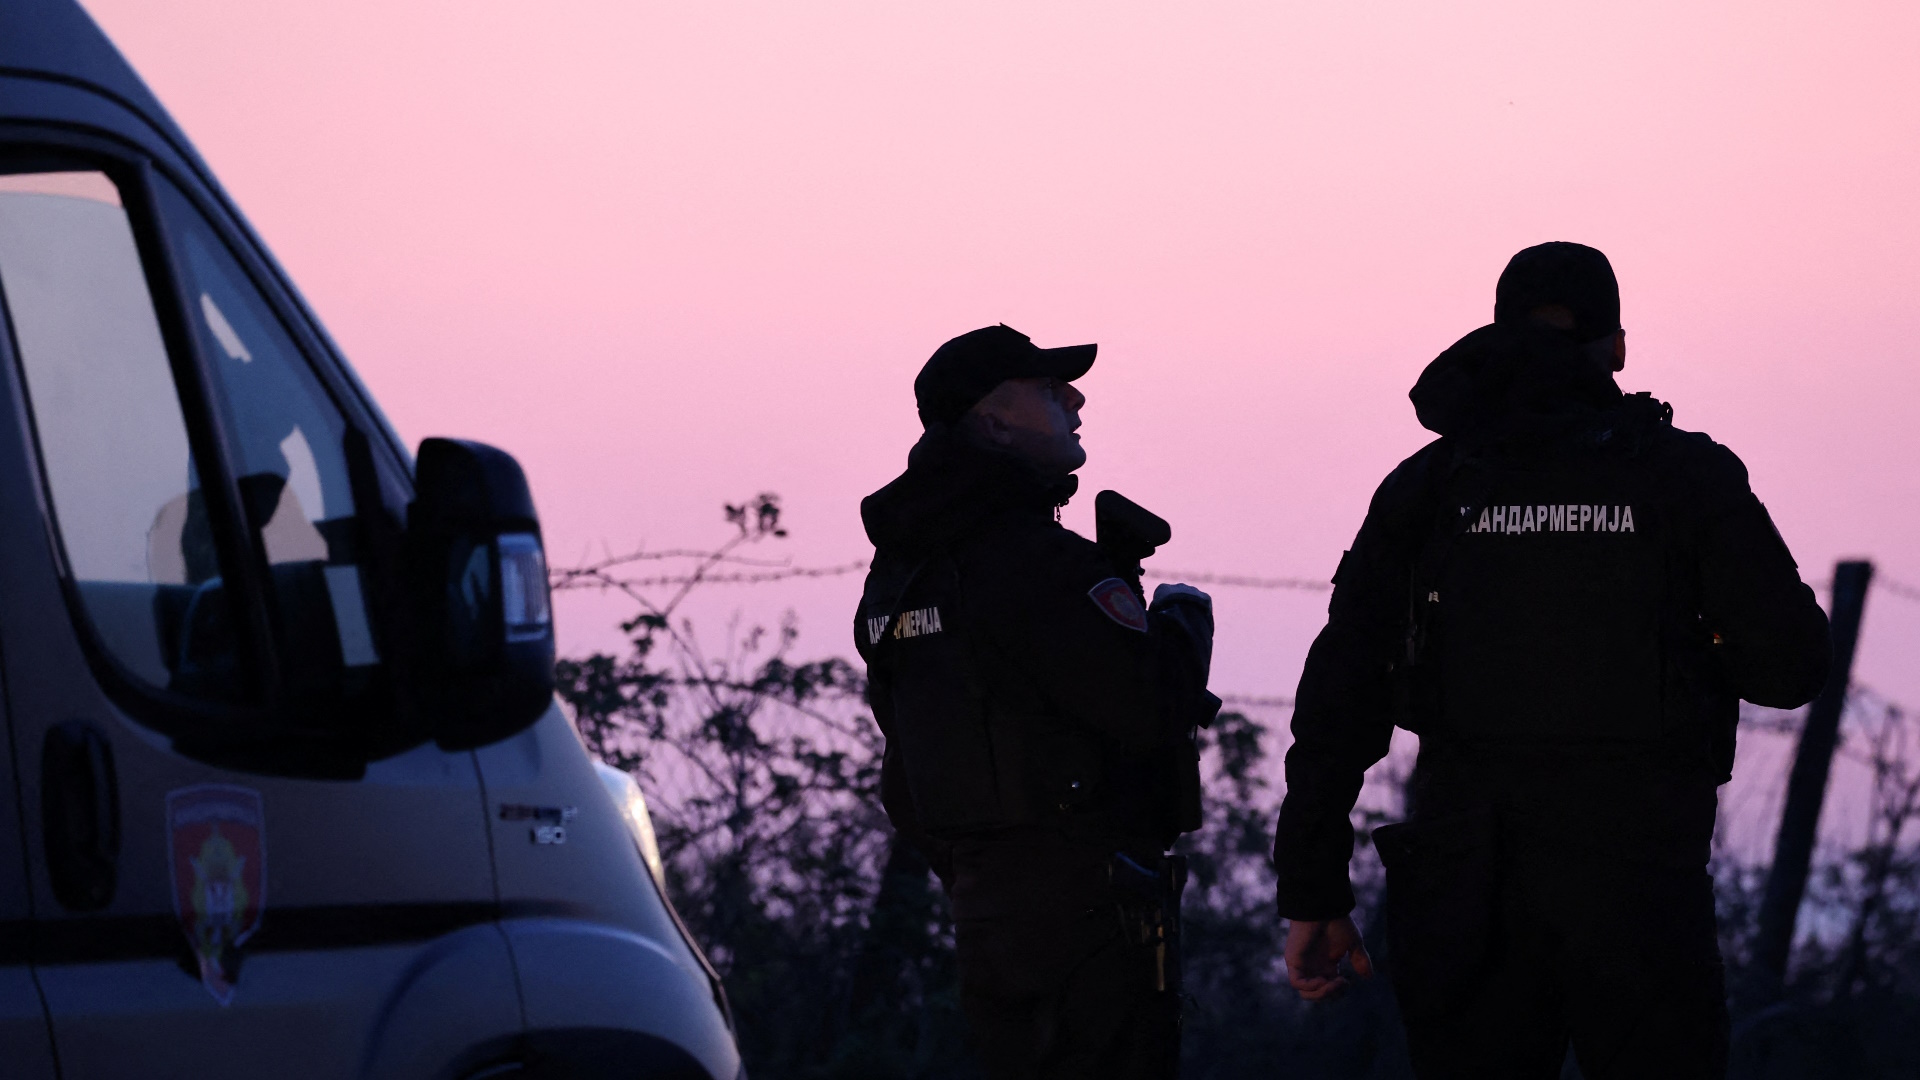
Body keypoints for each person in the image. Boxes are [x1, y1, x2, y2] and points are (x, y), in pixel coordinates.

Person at [1272, 243, 1831, 1078]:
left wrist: (1314, 889)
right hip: (1642, 889)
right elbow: (1792, 669)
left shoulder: (1429, 485)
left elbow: (1340, 696)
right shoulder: (1684, 476)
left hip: (1468, 886)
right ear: (1617, 348)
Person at [854, 324, 1219, 1080]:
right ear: (992, 423)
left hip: (984, 909)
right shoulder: (1037, 561)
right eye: (1049, 390)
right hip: (1091, 908)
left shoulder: (900, 575)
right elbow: (1150, 709)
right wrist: (1182, 619)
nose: (1075, 401)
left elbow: (911, 756)